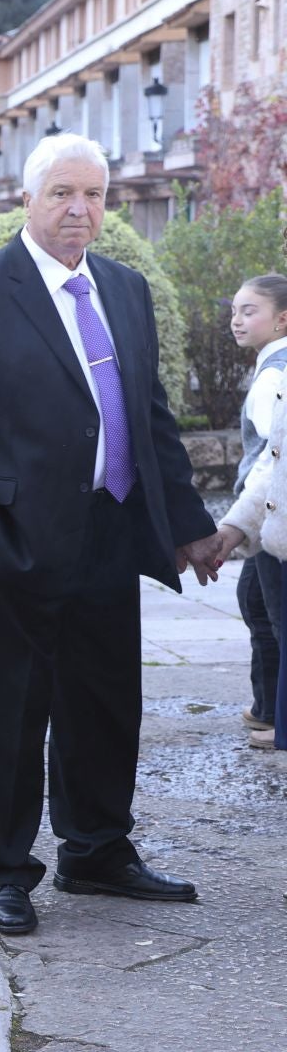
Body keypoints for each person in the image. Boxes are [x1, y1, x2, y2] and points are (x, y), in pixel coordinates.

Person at [0, 131, 219, 938]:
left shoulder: (124, 287)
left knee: (107, 701)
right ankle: (6, 870)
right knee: (12, 712)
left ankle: (96, 850)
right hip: (16, 540)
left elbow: (149, 417)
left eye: (95, 196)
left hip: (112, 529)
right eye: (63, 194)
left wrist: (186, 525)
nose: (81, 210)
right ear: (29, 198)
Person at [226, 275, 287, 749]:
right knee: (256, 604)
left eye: (250, 311)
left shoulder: (273, 375)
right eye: (235, 310)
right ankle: (268, 708)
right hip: (264, 516)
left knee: (271, 615)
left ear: (282, 319)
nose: (237, 319)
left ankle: (273, 714)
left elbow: (275, 449)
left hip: (273, 517)